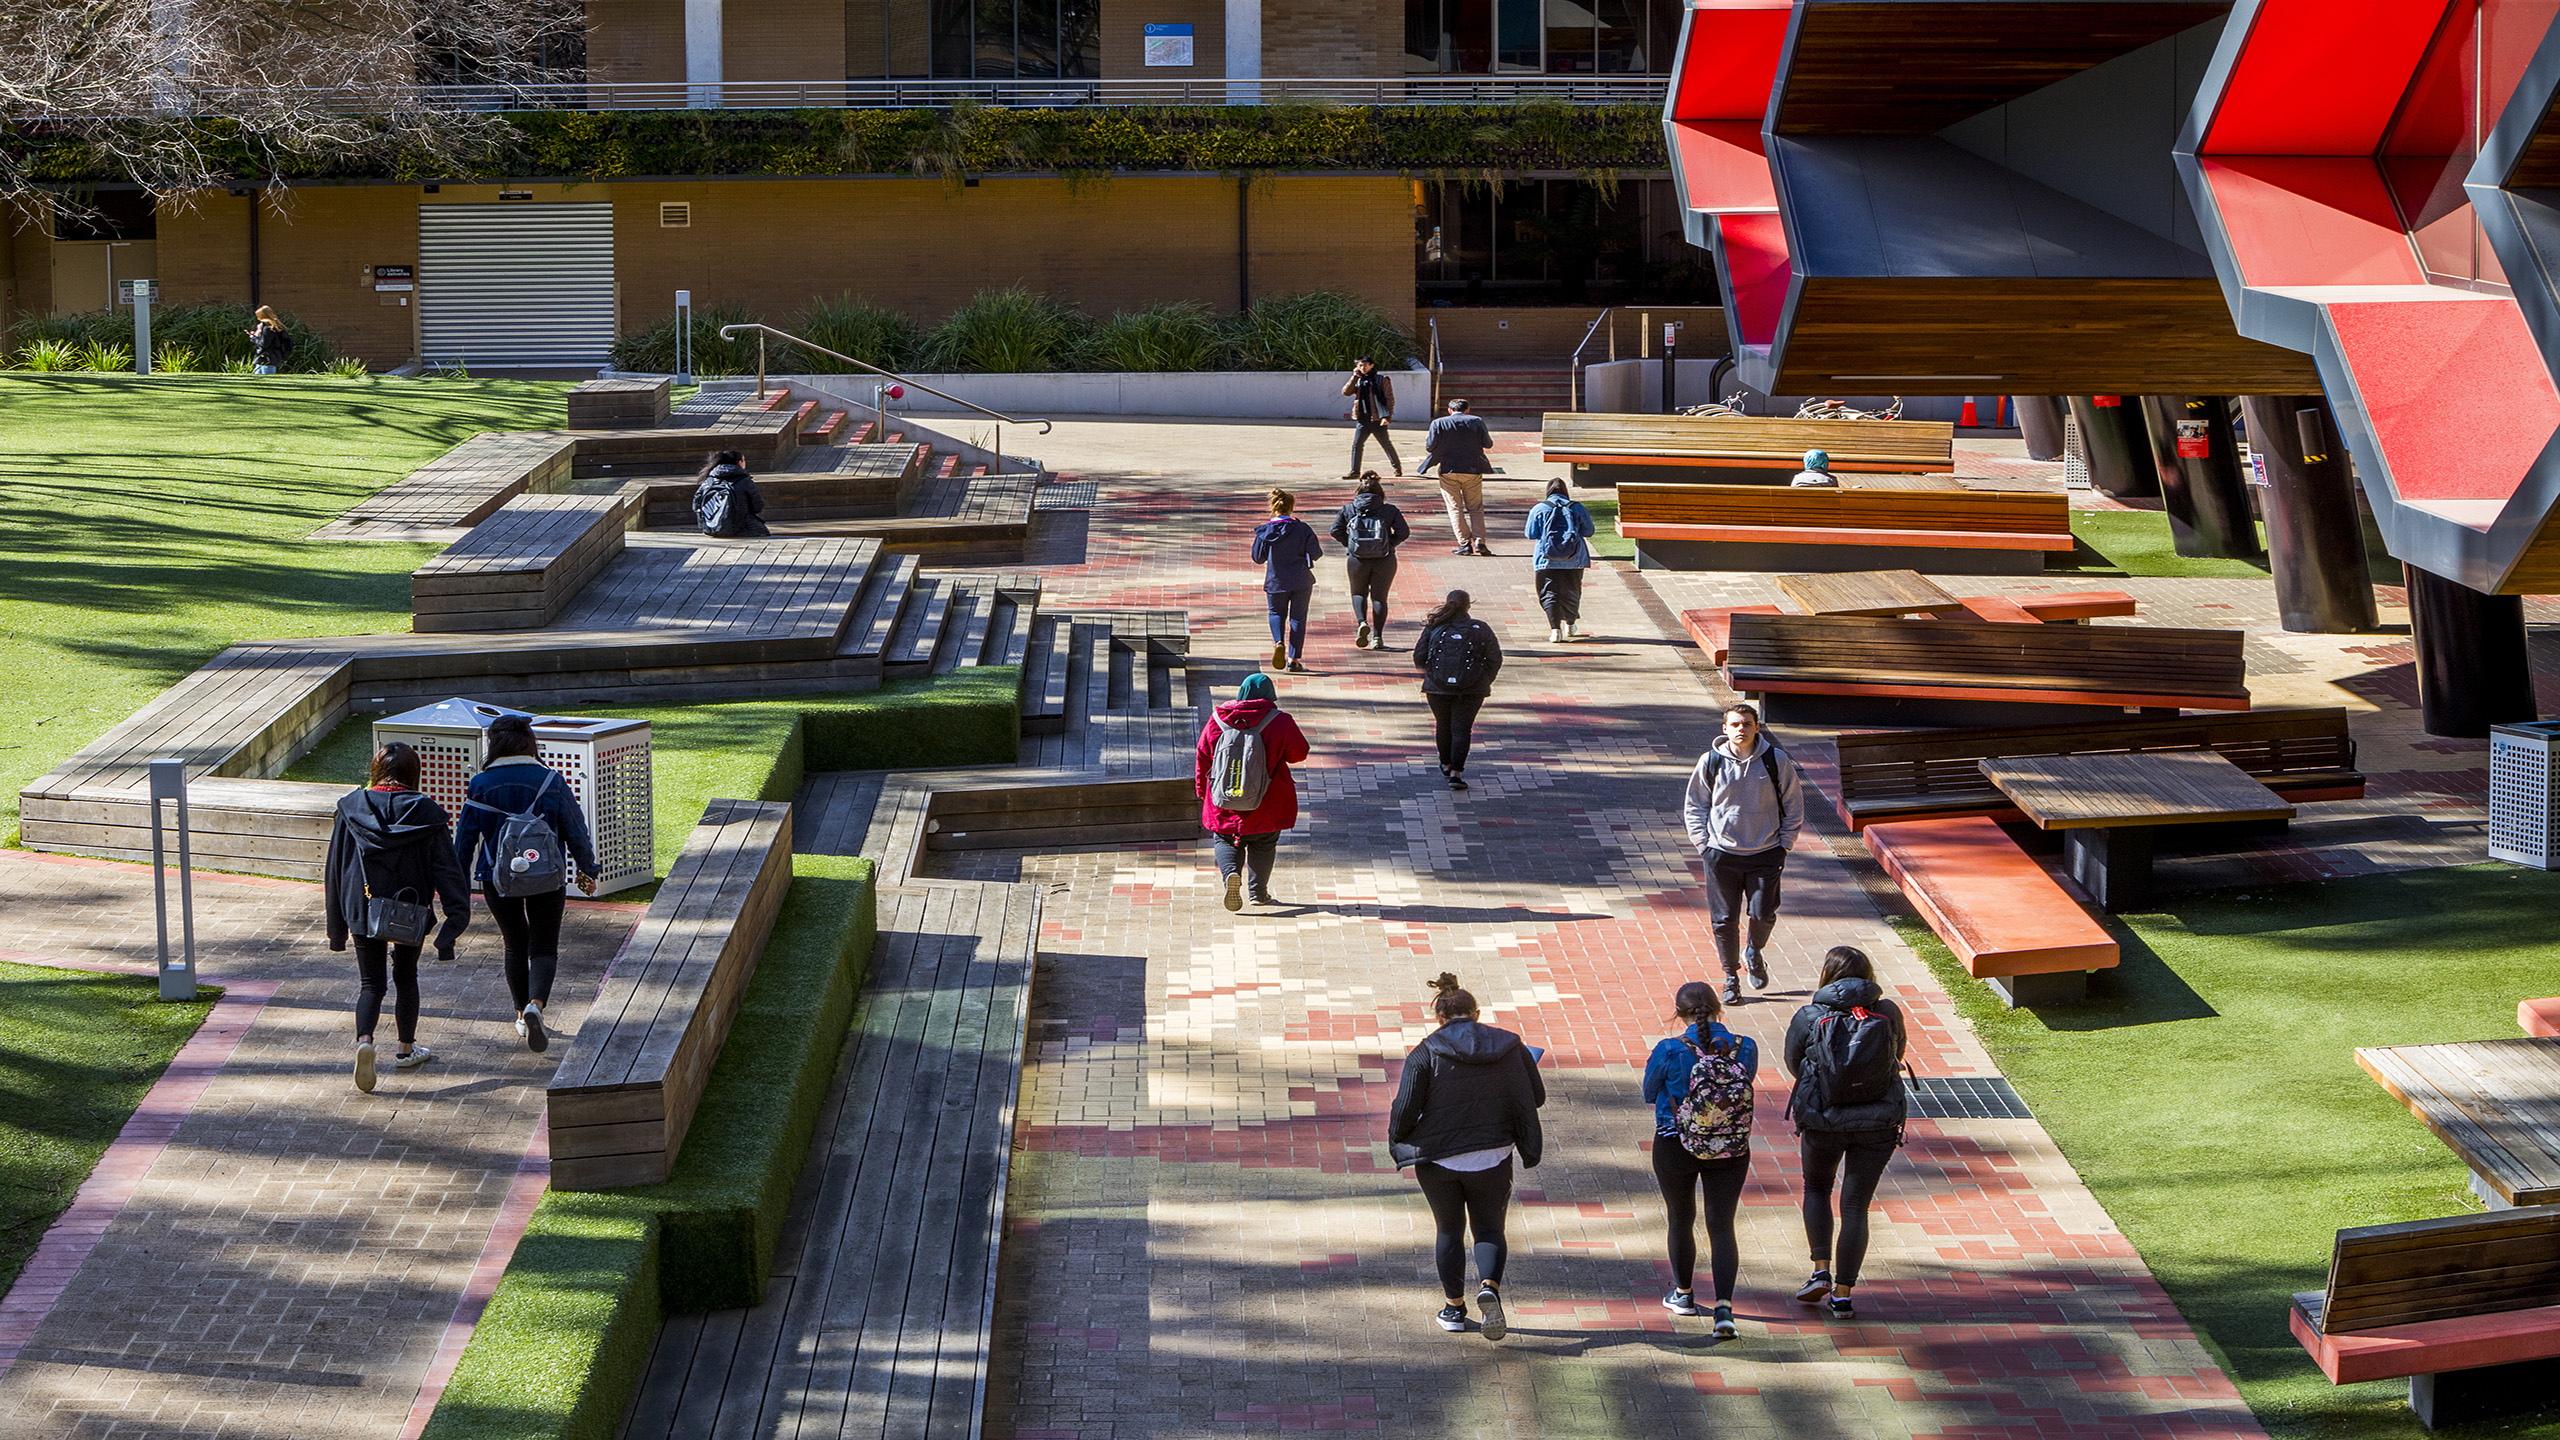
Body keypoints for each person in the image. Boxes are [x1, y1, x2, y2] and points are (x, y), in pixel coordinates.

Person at [1388, 972, 1545, 1340]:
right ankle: (1489, 1287)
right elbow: (1534, 1097)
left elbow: (1405, 1111)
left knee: (1449, 1230)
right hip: (1493, 1156)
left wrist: (1399, 1140)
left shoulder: (1425, 1052)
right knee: (1489, 1228)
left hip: (1440, 1160)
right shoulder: (1510, 1047)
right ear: (1477, 1014)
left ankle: (1454, 1308)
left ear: (1439, 1018)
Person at [323, 742, 470, 1092]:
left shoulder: (350, 809)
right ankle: (406, 1049)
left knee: (371, 983)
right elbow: (447, 870)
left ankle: (364, 1041)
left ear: (376, 770)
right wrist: (453, 924)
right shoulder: (428, 813)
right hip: (411, 908)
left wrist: (336, 930)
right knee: (406, 976)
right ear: (412, 773)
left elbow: (335, 868)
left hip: (362, 905)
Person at [454, 715, 599, 1053]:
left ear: (494, 744)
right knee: (544, 946)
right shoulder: (550, 779)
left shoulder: (480, 784)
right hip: (546, 877)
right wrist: (588, 868)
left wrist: (457, 884)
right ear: (529, 742)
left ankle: (521, 1013)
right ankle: (537, 1004)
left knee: (515, 944)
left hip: (496, 878)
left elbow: (464, 841)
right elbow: (574, 829)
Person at [1783, 946, 1910, 1319]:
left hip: (1823, 1119)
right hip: (1878, 1121)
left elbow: (1793, 1063)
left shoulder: (1810, 1015)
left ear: (1828, 975)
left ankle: (1819, 1270)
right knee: (1856, 1205)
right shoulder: (1887, 1012)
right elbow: (1896, 1053)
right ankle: (1843, 1294)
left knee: (1817, 1188)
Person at [1641, 979, 1759, 1337]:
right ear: (1719, 1008)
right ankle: (1724, 1311)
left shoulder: (1669, 1048)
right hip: (1731, 1146)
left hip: (1675, 1141)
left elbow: (1649, 1093)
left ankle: (1684, 1294)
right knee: (1722, 1225)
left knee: (1681, 1218)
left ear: (1679, 1014)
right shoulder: (1745, 1046)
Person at [1680, 703, 1805, 1004]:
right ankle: (1731, 976)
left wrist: (1784, 844)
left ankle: (1754, 950)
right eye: (1735, 724)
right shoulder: (1710, 762)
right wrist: (1703, 845)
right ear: (1725, 729)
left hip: (1766, 853)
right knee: (1724, 920)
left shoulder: (1776, 761)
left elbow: (1794, 805)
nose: (1741, 729)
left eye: (1747, 724)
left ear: (1756, 728)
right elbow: (1695, 805)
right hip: (1721, 854)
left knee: (1763, 913)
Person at [1194, 672, 1311, 912]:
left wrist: (1203, 791)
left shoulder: (1217, 719)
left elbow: (1203, 756)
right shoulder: (1280, 720)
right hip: (1267, 798)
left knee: (1225, 838)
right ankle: (1258, 893)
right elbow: (1299, 754)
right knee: (1264, 843)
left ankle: (1231, 876)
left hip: (1224, 795)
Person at [1413, 589, 1502, 790]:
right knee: (1462, 729)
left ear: (1447, 604)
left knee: (1443, 725)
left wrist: (1432, 676)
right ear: (1468, 606)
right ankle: (1456, 773)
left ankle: (1445, 764)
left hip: (1437, 688)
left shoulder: (1434, 627)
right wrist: (1483, 680)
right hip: (1472, 689)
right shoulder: (1481, 628)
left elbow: (1419, 656)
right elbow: (1495, 658)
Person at [1329, 472, 1411, 650]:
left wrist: (1349, 544)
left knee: (1358, 593)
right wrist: (1389, 544)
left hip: (1357, 559)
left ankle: (1362, 622)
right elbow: (1404, 532)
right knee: (1379, 597)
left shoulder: (1349, 509)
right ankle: (1377, 637)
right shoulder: (1389, 510)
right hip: (1384, 559)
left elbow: (1335, 530)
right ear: (1380, 493)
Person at [1251, 487, 1324, 673]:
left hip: (1276, 581)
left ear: (1273, 507)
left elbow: (1258, 558)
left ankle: (1278, 642)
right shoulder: (1303, 529)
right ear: (1291, 508)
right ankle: (1293, 659)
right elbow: (1316, 553)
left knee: (1276, 613)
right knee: (1298, 618)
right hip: (1301, 580)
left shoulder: (1265, 531)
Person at [1417, 398, 1495, 556]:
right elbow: (1488, 444)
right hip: (1472, 469)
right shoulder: (1477, 421)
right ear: (1467, 410)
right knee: (1476, 508)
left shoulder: (1438, 423)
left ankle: (1465, 544)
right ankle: (1480, 542)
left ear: (1450, 410)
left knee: (1455, 508)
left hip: (1448, 469)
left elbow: (1429, 446)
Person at [1523, 478, 1597, 643]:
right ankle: (1570, 625)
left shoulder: (1539, 508)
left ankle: (1555, 629)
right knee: (1572, 591)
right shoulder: (1577, 508)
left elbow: (1530, 534)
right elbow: (1589, 531)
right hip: (1574, 558)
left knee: (1549, 593)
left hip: (1546, 559)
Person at [1341, 357, 1402, 478]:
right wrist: (1354, 377)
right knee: (1357, 445)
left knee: (1386, 444)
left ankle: (1397, 467)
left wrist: (1387, 417)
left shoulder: (1381, 380)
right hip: (1362, 418)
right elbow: (1346, 392)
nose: (1362, 368)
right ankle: (1355, 472)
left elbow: (1389, 399)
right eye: (1360, 365)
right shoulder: (1358, 380)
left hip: (1377, 418)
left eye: (1365, 365)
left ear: (1372, 365)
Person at [692, 449, 770, 537]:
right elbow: (758, 506)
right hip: (742, 529)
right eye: (744, 460)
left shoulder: (708, 481)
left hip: (711, 529)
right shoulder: (745, 481)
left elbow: (696, 505)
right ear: (739, 463)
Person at [246, 305, 291, 376]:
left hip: (266, 358)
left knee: (265, 380)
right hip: (271, 357)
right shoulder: (277, 327)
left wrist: (253, 337)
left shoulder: (267, 329)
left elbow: (264, 344)